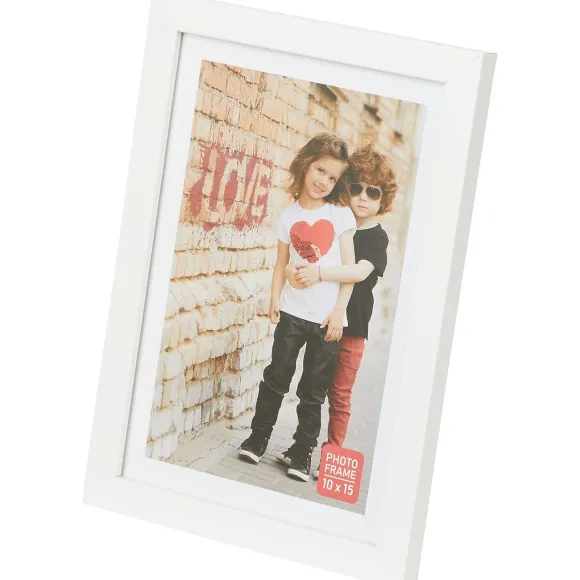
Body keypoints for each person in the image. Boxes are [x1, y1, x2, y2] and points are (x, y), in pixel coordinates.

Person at [238, 133, 356, 482]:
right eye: (320, 171)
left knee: (313, 391)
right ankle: (258, 438)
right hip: (292, 312)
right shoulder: (289, 216)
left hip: (326, 319)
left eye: (332, 177)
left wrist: (339, 312)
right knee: (276, 378)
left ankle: (302, 452)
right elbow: (281, 264)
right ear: (305, 164)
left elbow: (350, 270)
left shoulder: (340, 215)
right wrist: (275, 297)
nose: (324, 181)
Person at [284, 143, 398, 479]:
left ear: (383, 199)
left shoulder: (377, 238)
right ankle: (300, 448)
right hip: (321, 319)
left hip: (353, 328)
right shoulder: (334, 224)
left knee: (340, 394)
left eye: (373, 192)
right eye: (357, 188)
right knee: (311, 388)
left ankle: (332, 456)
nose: (363, 197)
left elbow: (359, 271)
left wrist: (319, 273)